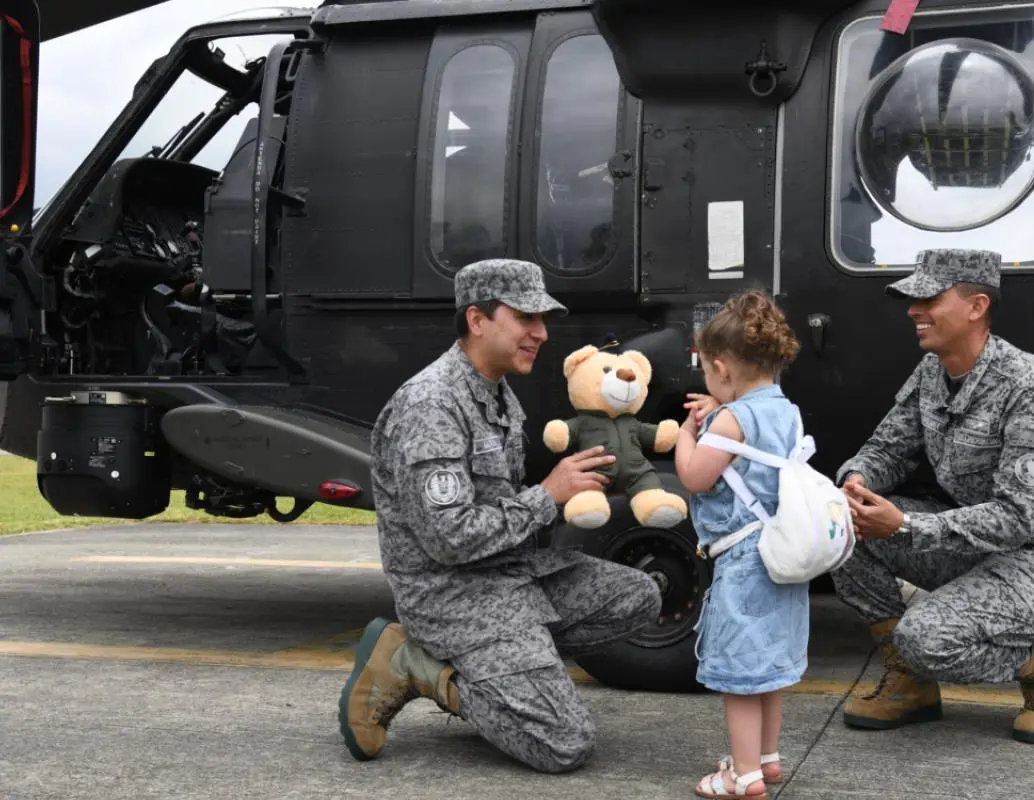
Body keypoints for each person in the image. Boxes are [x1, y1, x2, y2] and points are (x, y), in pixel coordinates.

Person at [338, 258, 663, 773]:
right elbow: (449, 539)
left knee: (639, 596)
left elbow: (499, 509)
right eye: (526, 319)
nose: (542, 333)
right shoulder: (432, 405)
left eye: (543, 320)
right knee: (564, 745)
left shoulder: (497, 393)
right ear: (477, 320)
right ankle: (419, 665)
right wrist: (548, 496)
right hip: (452, 594)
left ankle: (510, 666)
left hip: (507, 577)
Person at [832, 248, 1034, 745]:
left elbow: (1019, 518)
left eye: (928, 297)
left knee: (926, 640)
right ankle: (909, 686)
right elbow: (888, 447)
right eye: (912, 298)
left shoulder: (1025, 385)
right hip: (972, 546)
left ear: (976, 306)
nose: (912, 310)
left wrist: (904, 525)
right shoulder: (931, 372)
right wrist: (856, 482)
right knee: (843, 531)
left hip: (1025, 554)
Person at [674, 291, 807, 800]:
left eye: (706, 370)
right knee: (767, 667)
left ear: (722, 367)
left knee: (738, 676)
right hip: (780, 552)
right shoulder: (786, 412)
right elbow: (752, 442)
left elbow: (695, 476)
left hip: (745, 561)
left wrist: (688, 433)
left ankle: (743, 777)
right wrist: (720, 413)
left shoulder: (725, 422)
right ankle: (767, 759)